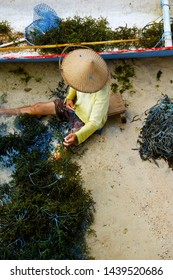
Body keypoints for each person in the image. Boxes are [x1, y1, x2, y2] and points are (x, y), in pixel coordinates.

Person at [0, 48, 110, 154]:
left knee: (62, 150)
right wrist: (69, 98)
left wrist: (77, 135)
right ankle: (7, 111)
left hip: (85, 121)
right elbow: (75, 84)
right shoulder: (81, 75)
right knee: (37, 108)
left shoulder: (102, 91)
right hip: (74, 106)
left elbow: (95, 122)